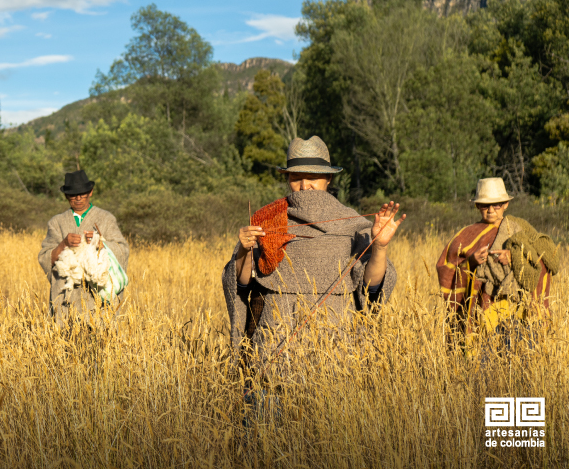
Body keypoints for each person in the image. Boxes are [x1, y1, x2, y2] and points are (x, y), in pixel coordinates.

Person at [221, 136, 405, 375]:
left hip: (334, 361)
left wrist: (379, 246)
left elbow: (371, 291)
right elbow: (242, 286)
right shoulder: (268, 221)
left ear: (328, 178)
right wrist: (244, 250)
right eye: (296, 177)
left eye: (313, 177)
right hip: (271, 361)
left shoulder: (354, 225)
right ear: (287, 179)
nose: (304, 185)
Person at [436, 177, 558, 351]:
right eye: (485, 205)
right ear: (477, 206)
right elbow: (445, 268)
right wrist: (471, 262)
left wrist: (515, 256)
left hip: (519, 309)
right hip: (483, 312)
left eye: (497, 205)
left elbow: (544, 256)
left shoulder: (518, 227)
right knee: (486, 361)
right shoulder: (467, 235)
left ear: (506, 205)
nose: (491, 210)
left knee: (521, 357)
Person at [38, 170, 129, 327]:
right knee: (65, 344)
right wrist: (63, 244)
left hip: (99, 301)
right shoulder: (57, 222)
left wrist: (102, 245)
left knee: (100, 343)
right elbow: (45, 257)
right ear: (66, 196)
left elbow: (123, 249)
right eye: (73, 194)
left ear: (90, 192)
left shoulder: (106, 219)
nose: (78, 198)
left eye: (82, 193)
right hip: (65, 301)